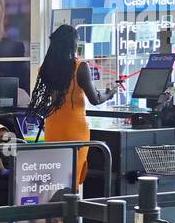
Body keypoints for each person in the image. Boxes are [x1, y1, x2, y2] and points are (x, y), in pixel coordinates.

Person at [29, 24, 123, 186]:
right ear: (73, 43)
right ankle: (72, 207)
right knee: (73, 177)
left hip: (53, 127)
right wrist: (109, 94)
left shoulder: (45, 69)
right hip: (75, 129)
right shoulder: (80, 67)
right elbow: (95, 99)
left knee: (55, 176)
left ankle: (56, 208)